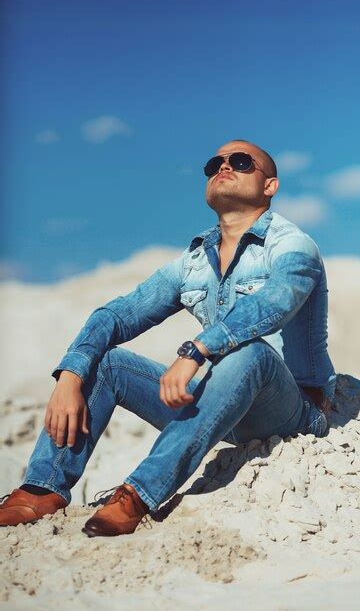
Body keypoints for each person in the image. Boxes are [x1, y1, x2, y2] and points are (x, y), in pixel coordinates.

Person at [0, 139, 337, 536]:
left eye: (241, 162)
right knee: (106, 363)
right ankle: (43, 488)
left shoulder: (292, 244)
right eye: (215, 163)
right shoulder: (193, 261)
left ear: (270, 186)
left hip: (292, 410)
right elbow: (119, 313)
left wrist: (197, 350)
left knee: (251, 352)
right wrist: (70, 376)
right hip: (221, 408)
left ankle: (138, 494)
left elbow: (277, 301)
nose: (224, 167)